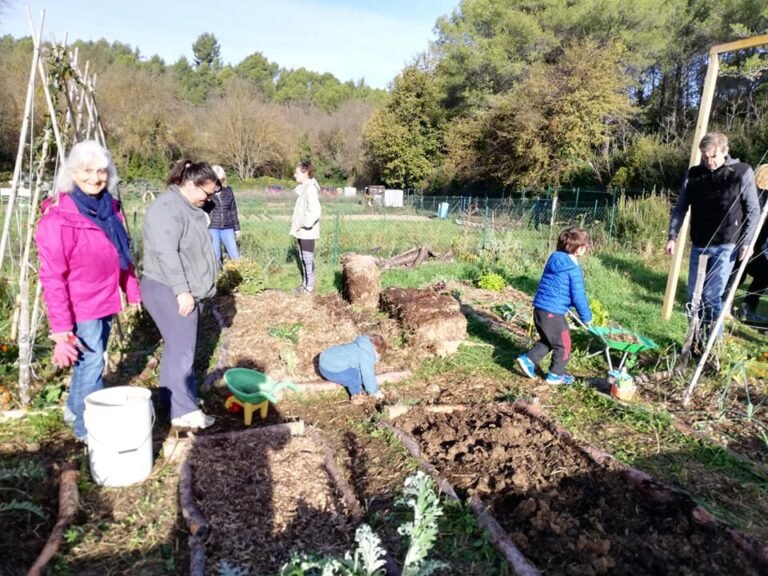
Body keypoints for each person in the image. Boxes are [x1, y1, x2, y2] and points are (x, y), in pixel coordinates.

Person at [35, 140, 141, 442]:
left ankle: (73, 408)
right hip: (79, 305)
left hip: (105, 298)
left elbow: (122, 254)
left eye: (101, 171)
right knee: (93, 361)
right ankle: (86, 427)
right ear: (72, 174)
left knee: (90, 360)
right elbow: (52, 278)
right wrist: (60, 327)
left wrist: (130, 289)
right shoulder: (58, 219)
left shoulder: (109, 209)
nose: (95, 178)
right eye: (87, 171)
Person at [141, 160, 220, 429]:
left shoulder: (185, 206)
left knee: (177, 347)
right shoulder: (167, 209)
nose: (208, 199)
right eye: (206, 194)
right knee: (183, 350)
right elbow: (167, 254)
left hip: (176, 287)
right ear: (189, 184)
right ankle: (183, 412)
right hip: (168, 288)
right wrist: (183, 292)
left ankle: (172, 401)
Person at [665, 132, 760, 337]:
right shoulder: (694, 174)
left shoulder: (741, 172)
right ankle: (693, 343)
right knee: (693, 298)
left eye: (713, 156)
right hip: (699, 243)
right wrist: (672, 236)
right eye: (705, 157)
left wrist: (748, 241)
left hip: (727, 243)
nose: (709, 162)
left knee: (710, 295)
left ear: (725, 151)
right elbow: (681, 207)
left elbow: (753, 209)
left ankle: (713, 344)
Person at [516, 227, 593, 385]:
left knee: (549, 340)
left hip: (540, 309)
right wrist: (587, 317)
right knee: (564, 343)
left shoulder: (555, 259)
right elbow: (578, 296)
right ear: (579, 248)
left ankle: (528, 360)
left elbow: (557, 287)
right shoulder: (573, 268)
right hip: (553, 312)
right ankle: (556, 375)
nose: (586, 248)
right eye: (585, 245)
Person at [318, 335, 386, 404]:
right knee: (353, 377)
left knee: (355, 373)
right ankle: (357, 396)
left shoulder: (361, 345)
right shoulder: (367, 355)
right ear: (377, 354)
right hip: (330, 369)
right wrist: (375, 392)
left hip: (324, 360)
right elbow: (368, 375)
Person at [290, 161, 321, 294]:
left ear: (305, 173)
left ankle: (309, 288)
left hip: (308, 231)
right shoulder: (304, 188)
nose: (294, 175)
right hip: (302, 231)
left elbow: (315, 211)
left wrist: (303, 223)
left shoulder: (310, 189)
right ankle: (305, 285)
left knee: (308, 259)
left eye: (297, 173)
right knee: (303, 258)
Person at [208, 165, 241, 262]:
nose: (219, 182)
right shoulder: (207, 193)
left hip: (228, 227)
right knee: (216, 255)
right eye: (217, 180)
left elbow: (233, 210)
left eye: (221, 180)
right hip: (213, 227)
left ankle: (237, 274)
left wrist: (237, 229)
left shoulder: (228, 190)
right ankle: (216, 275)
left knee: (235, 254)